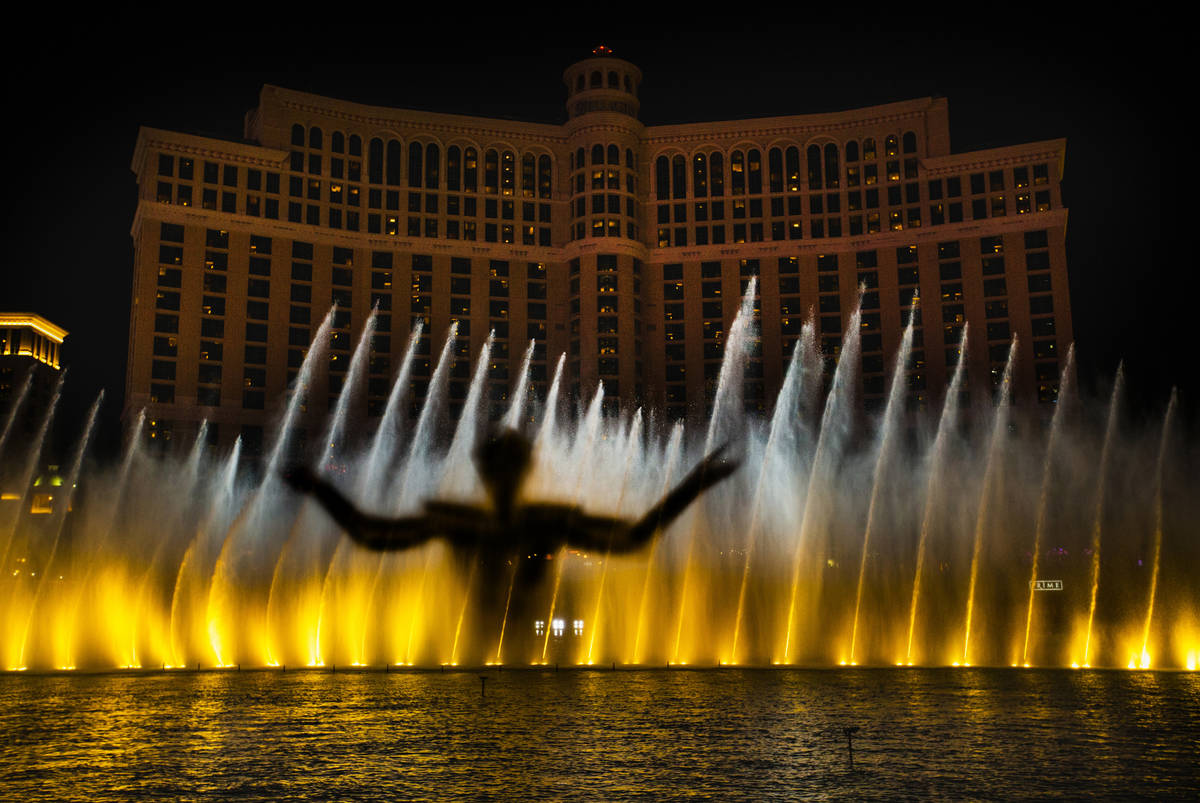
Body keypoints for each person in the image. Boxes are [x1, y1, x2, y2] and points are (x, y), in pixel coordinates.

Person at [283, 428, 739, 583]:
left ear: (521, 472)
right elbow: (370, 534)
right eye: (495, 468)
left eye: (510, 467)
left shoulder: (549, 522)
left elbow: (637, 538)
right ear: (485, 473)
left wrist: (695, 484)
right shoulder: (460, 521)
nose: (502, 477)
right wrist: (318, 490)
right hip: (470, 664)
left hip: (535, 665)